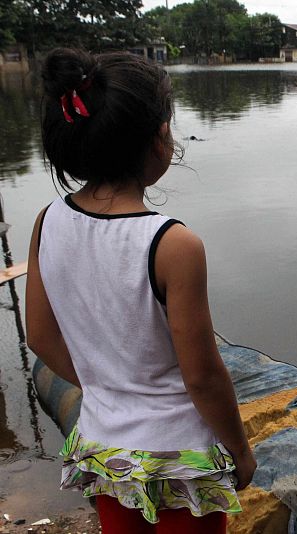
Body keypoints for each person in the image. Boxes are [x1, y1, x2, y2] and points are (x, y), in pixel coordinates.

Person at [25, 48, 256, 534]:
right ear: (158, 139)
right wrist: (239, 449)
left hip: (104, 445)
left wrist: (106, 385)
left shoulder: (47, 222)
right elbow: (202, 376)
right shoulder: (174, 244)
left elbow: (41, 339)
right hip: (180, 454)